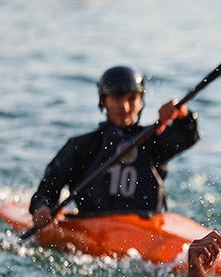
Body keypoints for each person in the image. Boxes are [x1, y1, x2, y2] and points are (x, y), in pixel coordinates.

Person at [29, 65, 201, 229]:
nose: (124, 106)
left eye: (132, 98)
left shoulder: (154, 142)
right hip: (93, 226)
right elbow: (49, 187)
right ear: (103, 100)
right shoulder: (82, 146)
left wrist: (182, 114)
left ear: (141, 101)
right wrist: (42, 208)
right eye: (117, 98)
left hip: (146, 229)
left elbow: (188, 135)